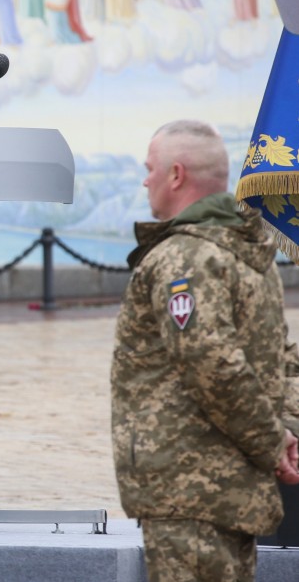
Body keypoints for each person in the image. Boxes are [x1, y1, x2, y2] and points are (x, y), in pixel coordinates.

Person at [111, 119, 299, 581]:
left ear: (176, 175)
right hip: (234, 491)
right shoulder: (249, 254)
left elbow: (213, 365)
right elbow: (281, 362)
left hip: (188, 493)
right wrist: (285, 433)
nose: (144, 179)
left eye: (150, 168)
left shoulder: (183, 258)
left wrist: (275, 444)